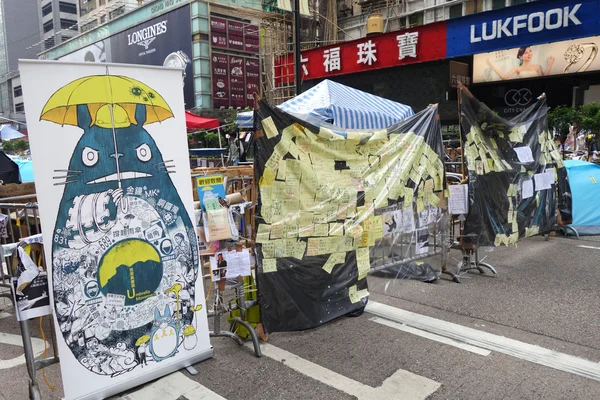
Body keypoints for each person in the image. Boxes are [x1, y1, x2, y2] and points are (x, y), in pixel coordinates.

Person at [487, 47, 554, 80]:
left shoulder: (537, 67)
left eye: (530, 51)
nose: (529, 54)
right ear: (520, 57)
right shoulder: (517, 68)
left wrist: (550, 65)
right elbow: (504, 77)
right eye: (526, 53)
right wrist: (492, 65)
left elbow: (543, 79)